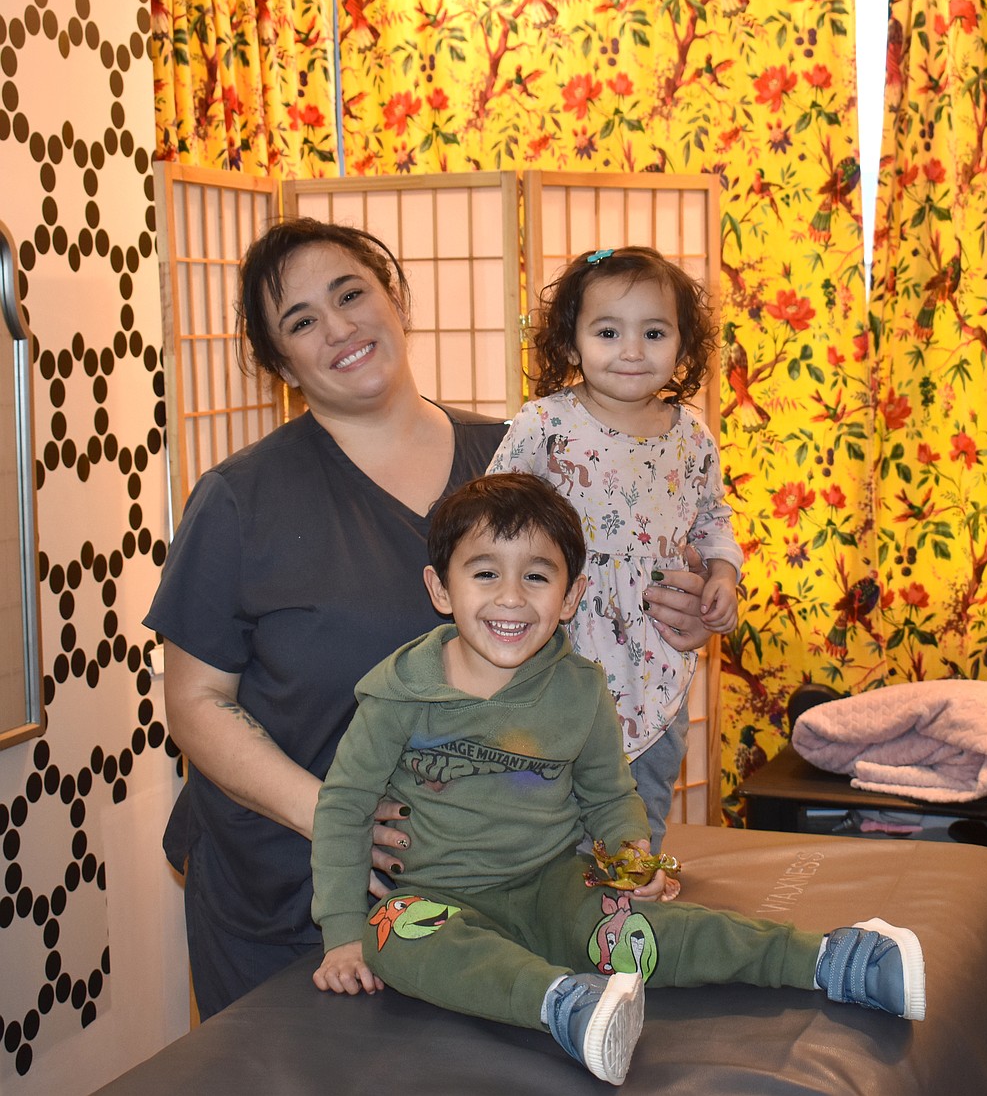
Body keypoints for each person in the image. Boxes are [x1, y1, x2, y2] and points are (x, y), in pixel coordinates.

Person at [144, 218, 721, 1019]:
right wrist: (331, 816)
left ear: (395, 299)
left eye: (352, 294)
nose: (340, 327)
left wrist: (681, 613)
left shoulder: (530, 452)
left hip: (489, 894)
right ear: (278, 363)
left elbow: (623, 582)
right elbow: (195, 703)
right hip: (285, 892)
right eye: (302, 321)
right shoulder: (243, 499)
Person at [311, 473, 926, 1087]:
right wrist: (340, 934)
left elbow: (610, 797)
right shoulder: (397, 693)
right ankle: (568, 1007)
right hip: (437, 901)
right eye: (484, 573)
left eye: (536, 576)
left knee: (655, 933)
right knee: (392, 940)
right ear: (441, 588)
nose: (511, 598)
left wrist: (633, 867)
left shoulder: (580, 690)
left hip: (556, 888)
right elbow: (343, 809)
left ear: (572, 596)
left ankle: (832, 959)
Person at [489, 246, 742, 853]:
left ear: (682, 348)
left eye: (654, 332)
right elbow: (491, 515)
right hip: (560, 644)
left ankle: (632, 885)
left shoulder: (691, 436)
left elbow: (713, 519)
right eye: (608, 331)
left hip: (655, 643)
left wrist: (724, 578)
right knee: (546, 781)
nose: (632, 350)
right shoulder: (543, 424)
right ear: (572, 345)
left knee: (648, 777)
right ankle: (548, 893)